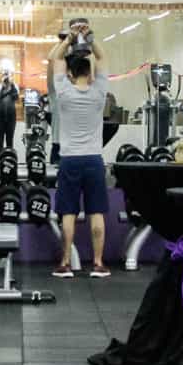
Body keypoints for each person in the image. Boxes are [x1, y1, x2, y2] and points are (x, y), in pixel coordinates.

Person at [46, 18, 112, 278]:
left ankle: (65, 263)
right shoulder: (99, 92)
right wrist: (90, 37)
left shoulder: (64, 92)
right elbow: (102, 57)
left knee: (68, 213)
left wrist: (69, 40)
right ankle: (98, 263)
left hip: (70, 160)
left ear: (71, 74)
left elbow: (56, 59)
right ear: (90, 73)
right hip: (94, 160)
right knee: (96, 213)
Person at [0, 71, 19, 154]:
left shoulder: (14, 86)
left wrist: (12, 86)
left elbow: (16, 97)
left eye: (8, 76)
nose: (6, 79)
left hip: (11, 116)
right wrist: (3, 88)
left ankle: (9, 157)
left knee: (10, 139)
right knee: (0, 139)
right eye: (4, 76)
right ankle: (1, 158)